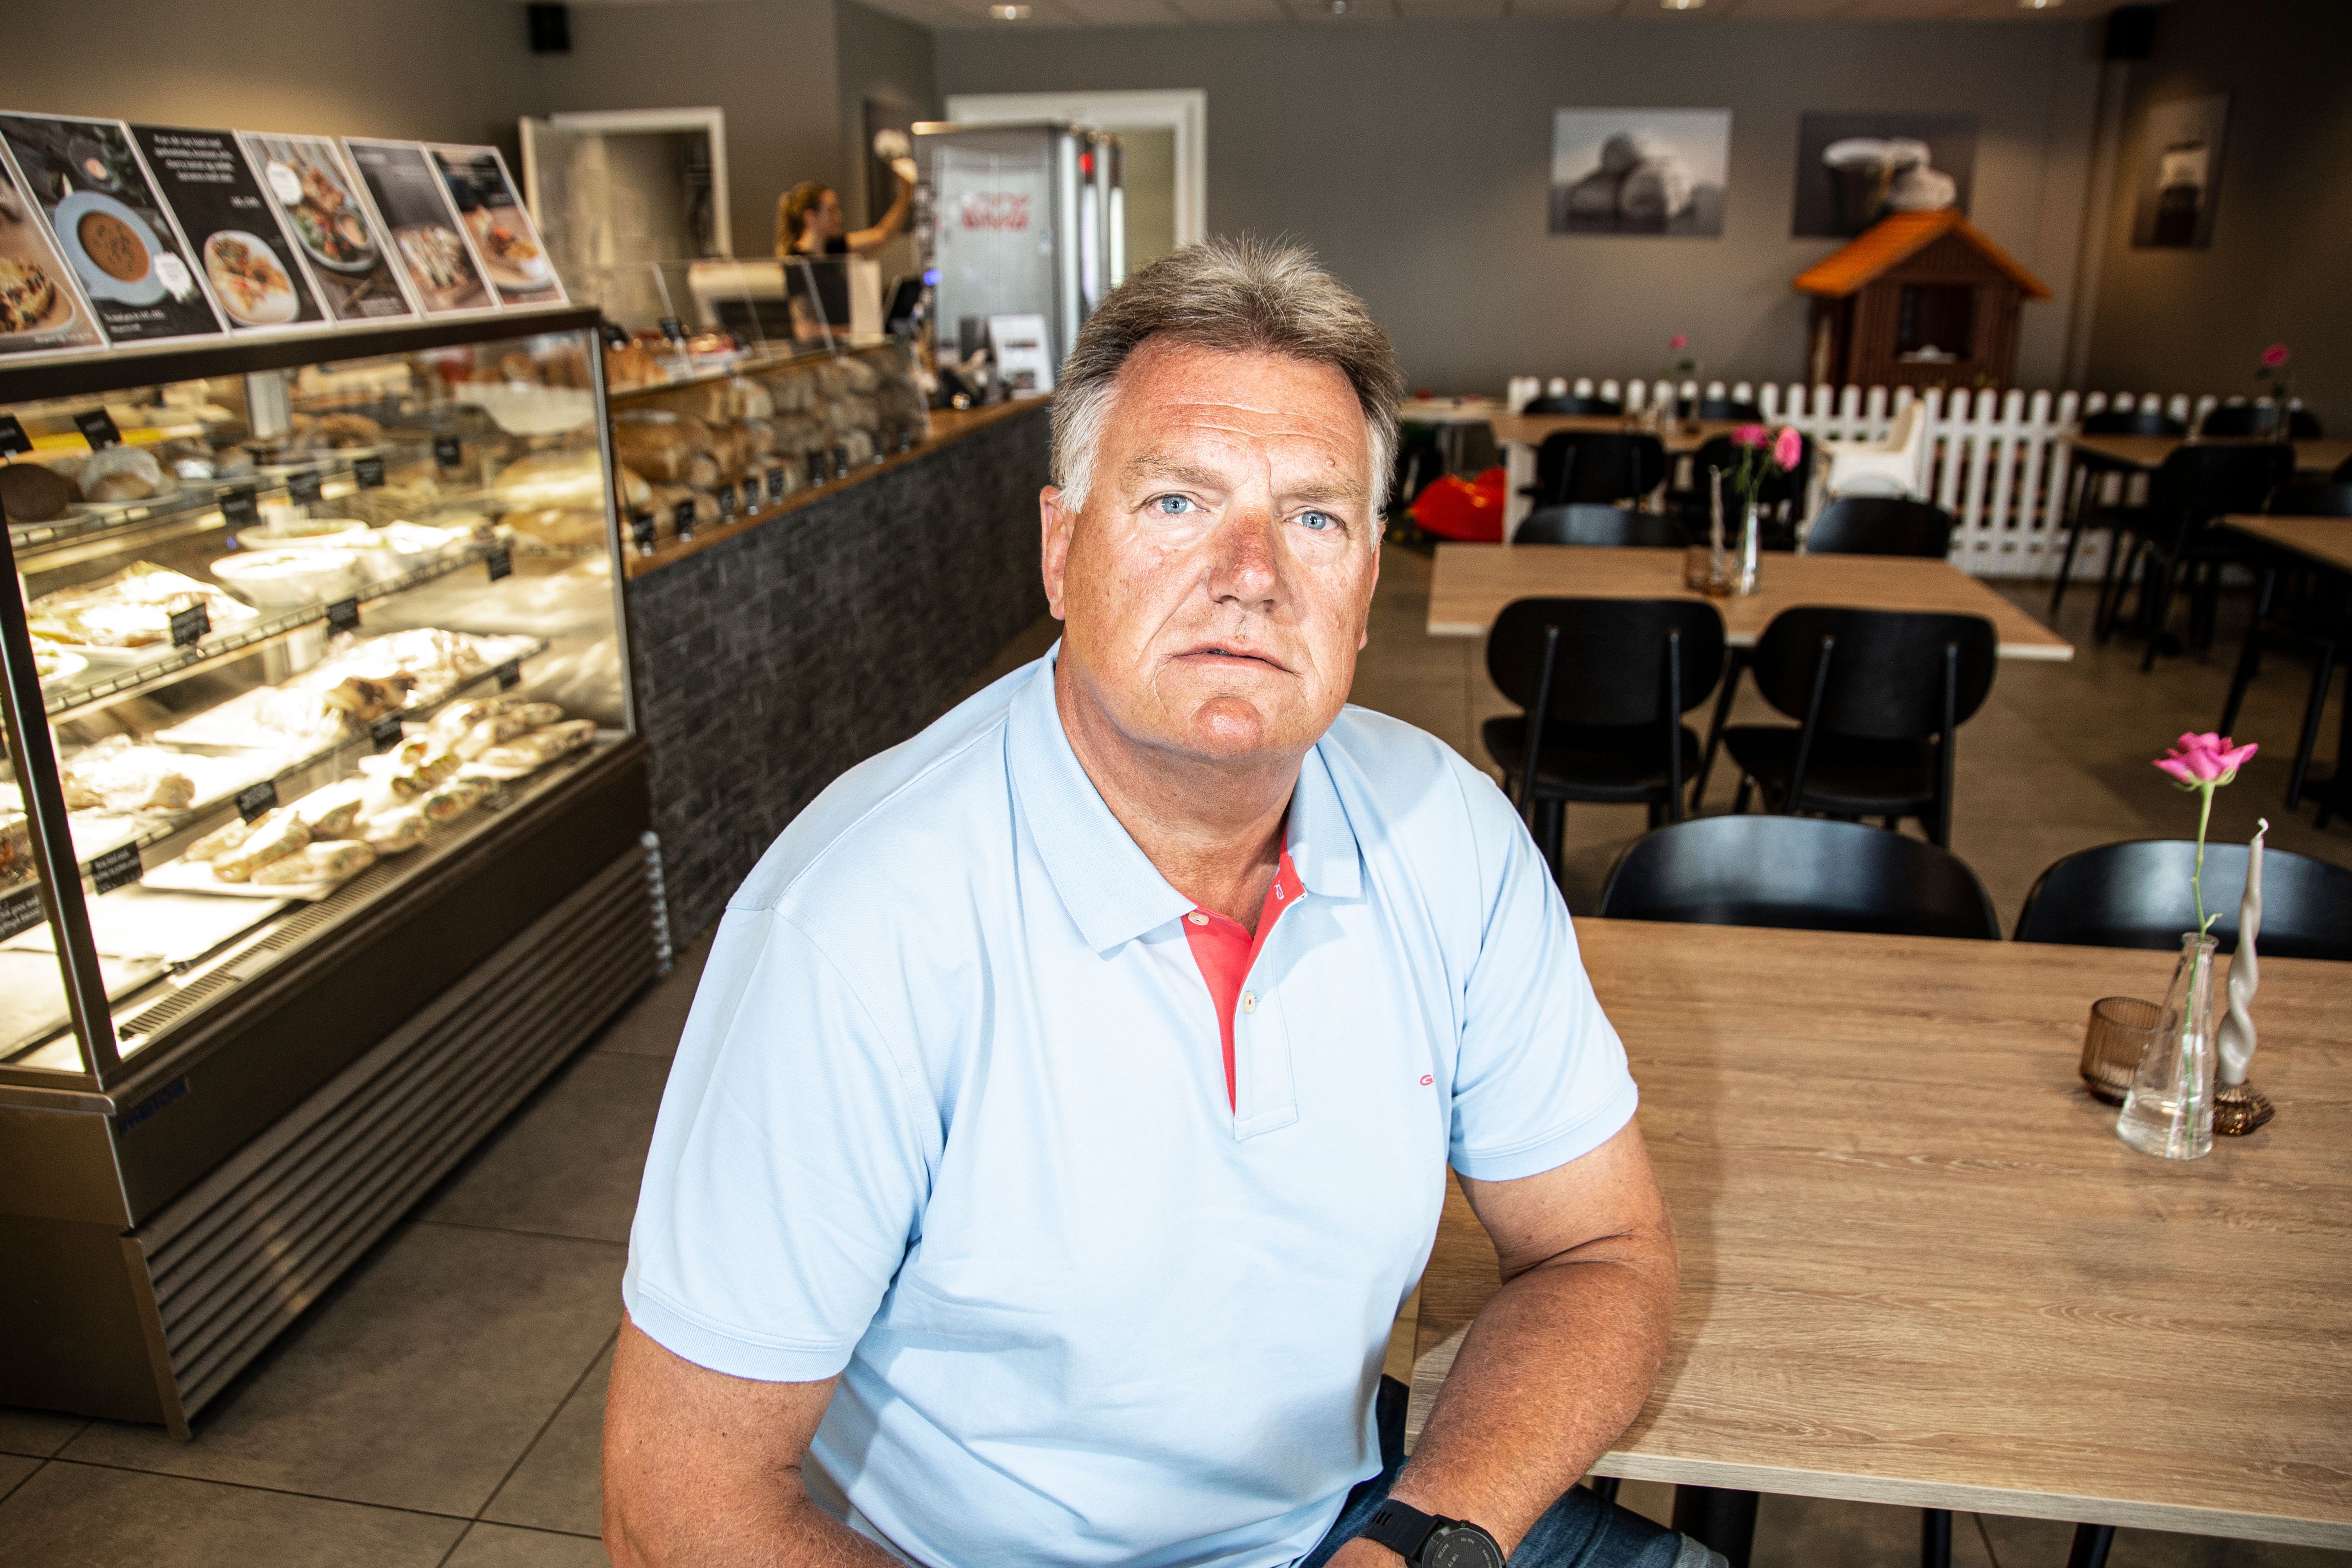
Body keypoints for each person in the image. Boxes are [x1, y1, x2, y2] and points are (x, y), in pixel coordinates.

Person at [603, 238, 1714, 1568]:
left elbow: (1601, 1248)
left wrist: (1417, 1542)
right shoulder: (853, 927)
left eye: (1314, 517)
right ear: (1060, 549)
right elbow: (675, 1505)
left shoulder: (1448, 834)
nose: (1251, 571)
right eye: (1178, 501)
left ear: (1367, 583)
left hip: (1354, 1523)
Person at [776, 168, 912, 259]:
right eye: (831, 210)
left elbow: (881, 235)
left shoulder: (833, 248)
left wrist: (906, 194)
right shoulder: (792, 262)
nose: (839, 216)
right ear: (810, 217)